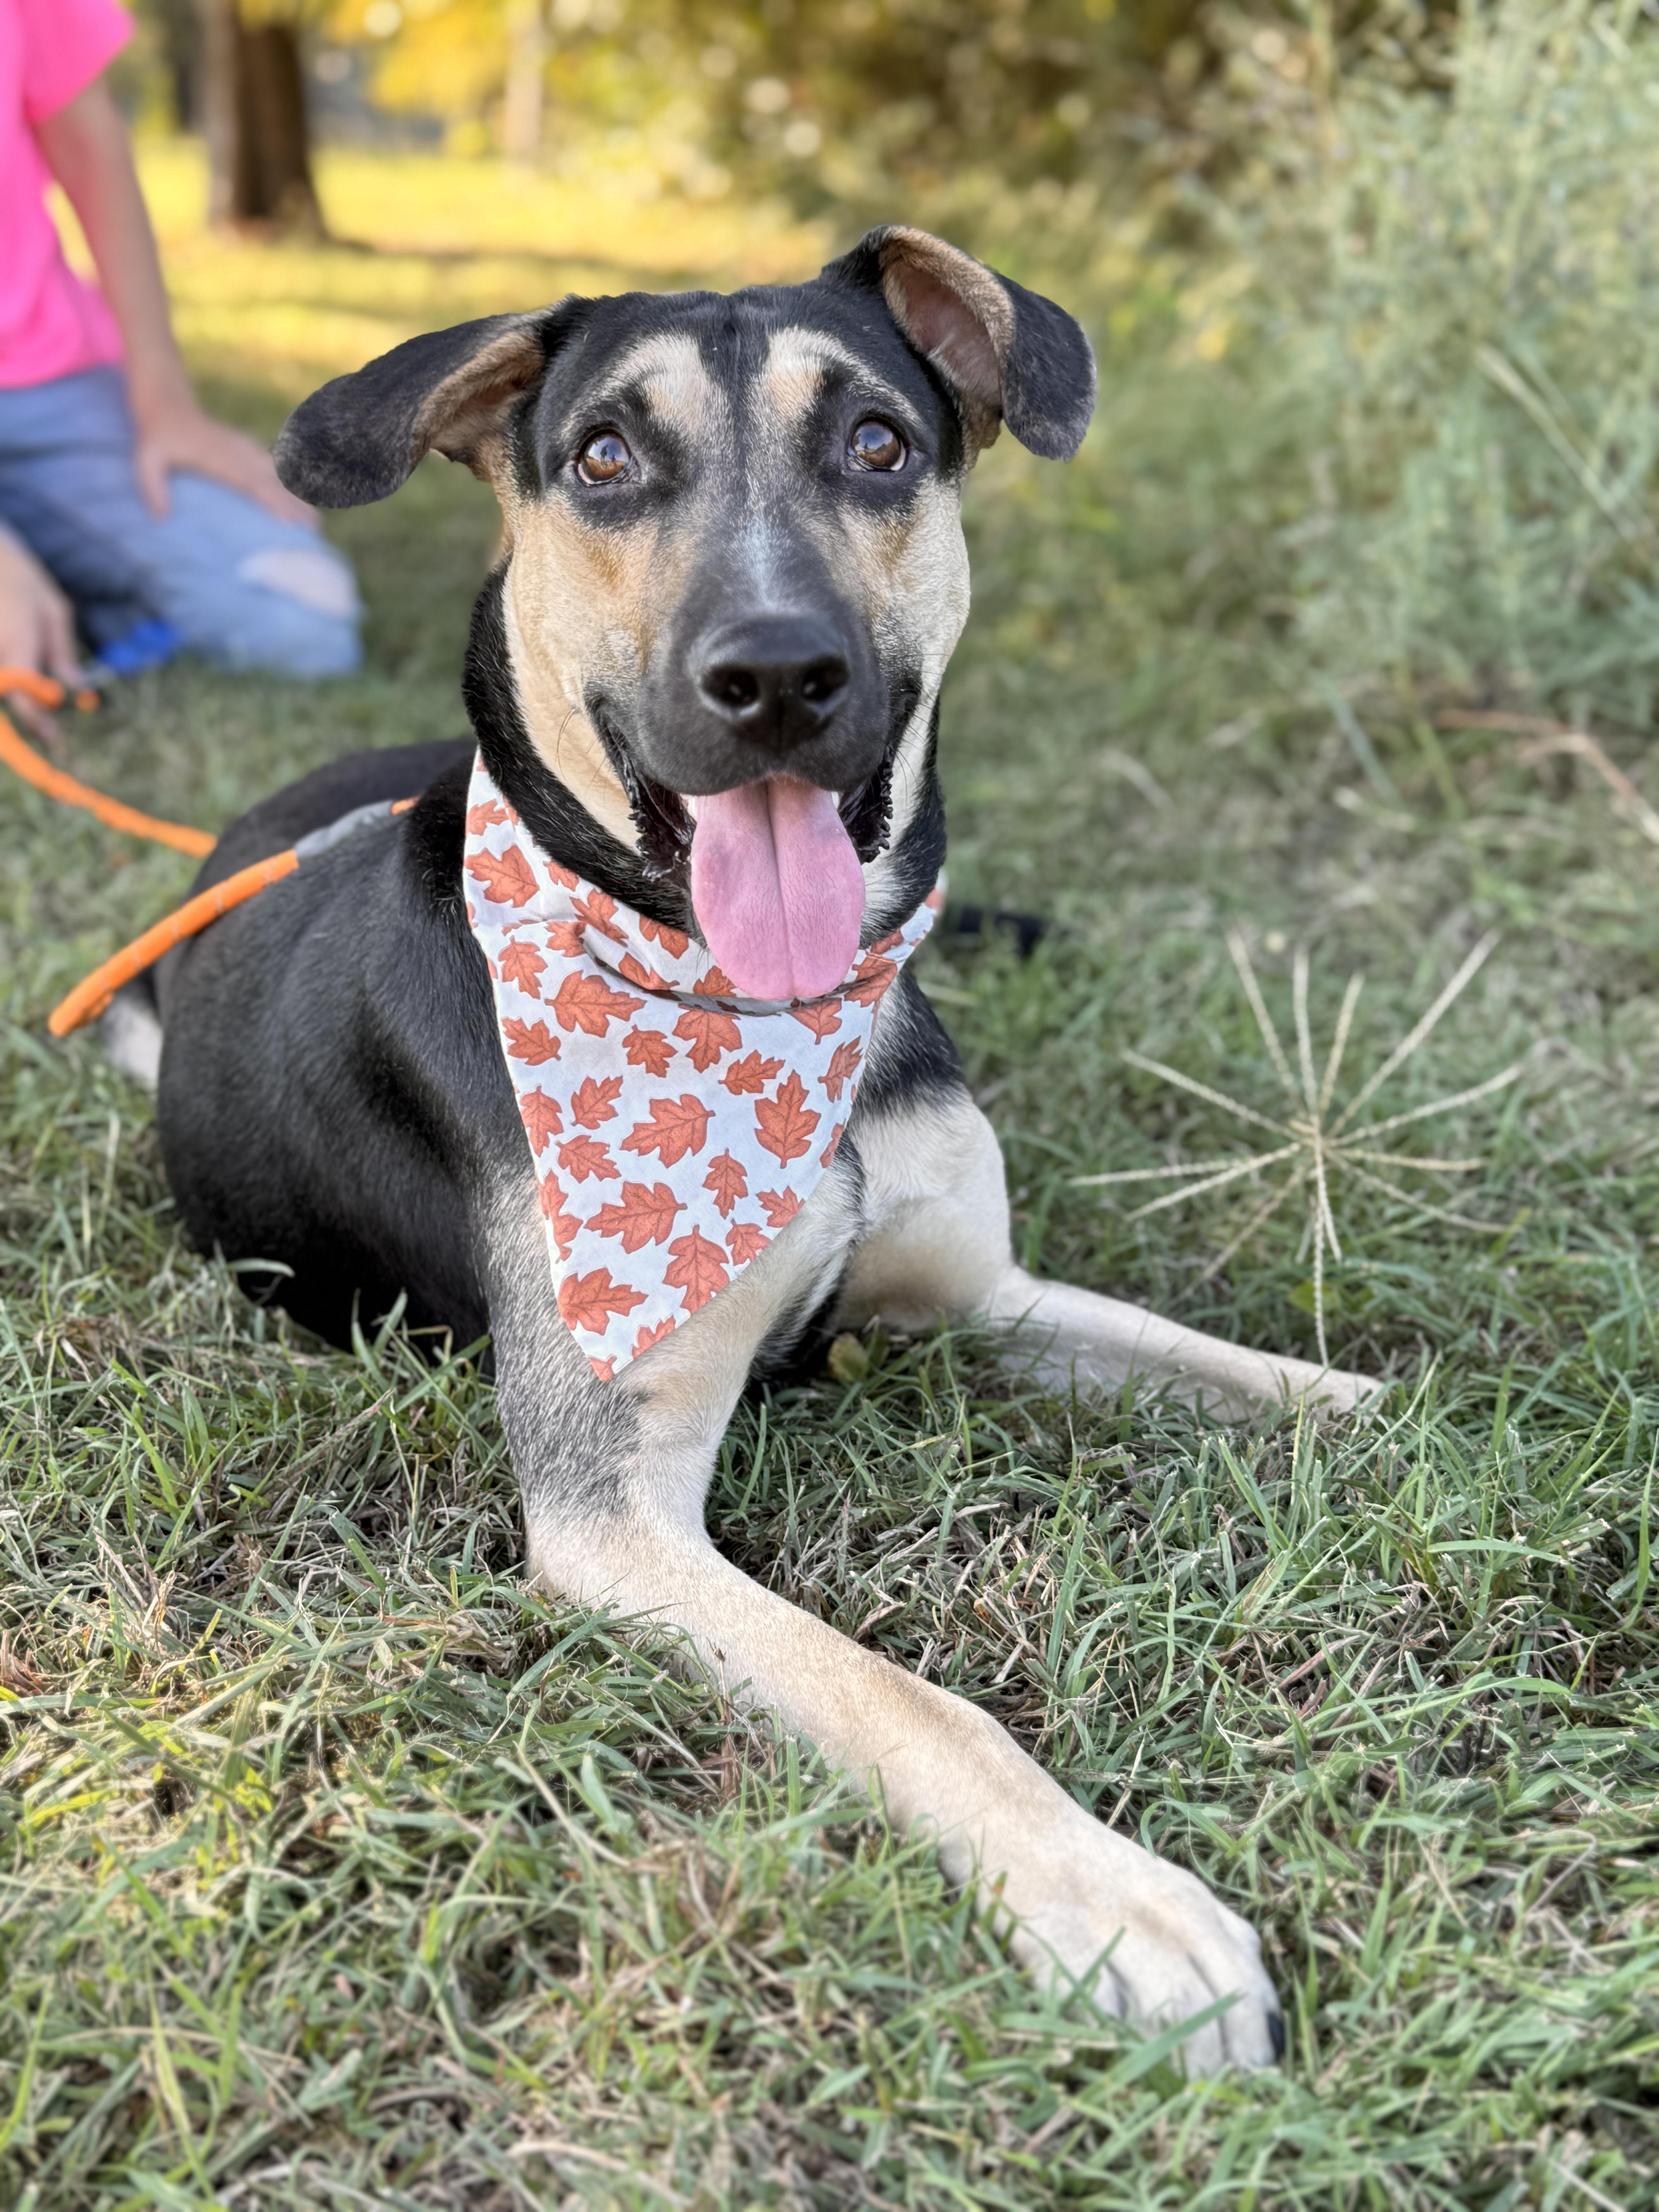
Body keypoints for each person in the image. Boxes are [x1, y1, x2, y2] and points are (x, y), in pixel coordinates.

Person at [0, 0, 361, 734]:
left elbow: (92, 149)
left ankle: (50, 578)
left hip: (45, 383)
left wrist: (166, 406)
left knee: (302, 618)